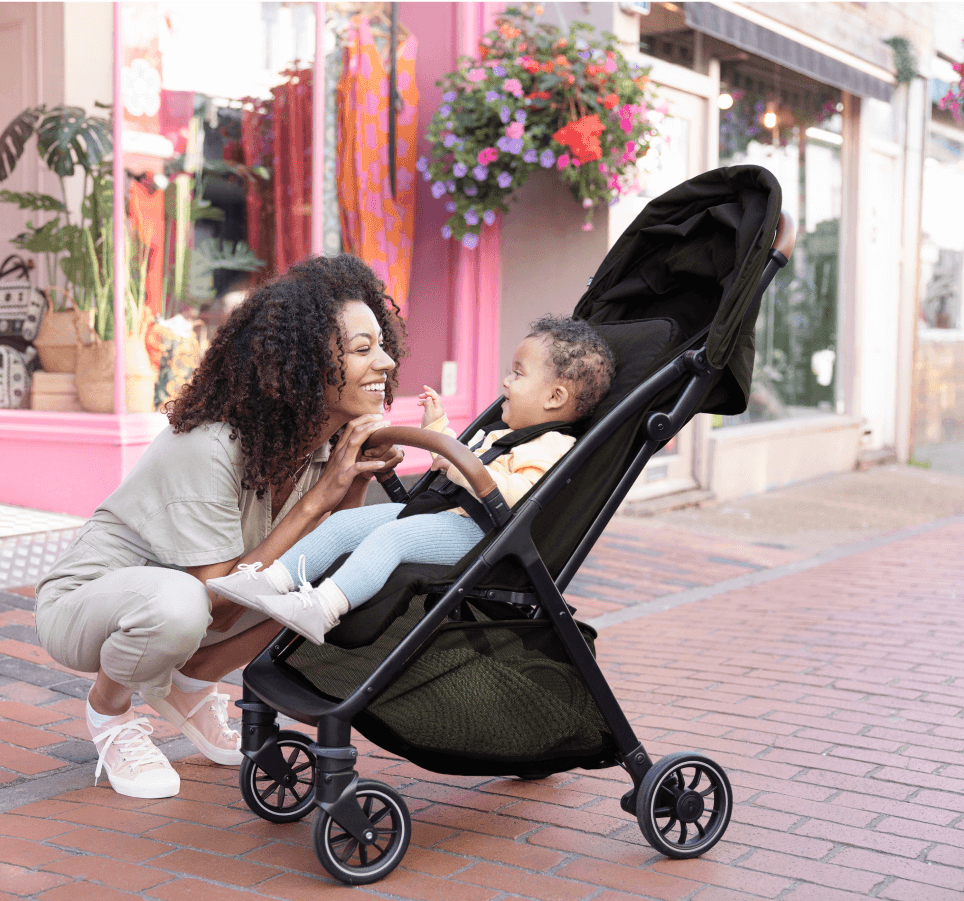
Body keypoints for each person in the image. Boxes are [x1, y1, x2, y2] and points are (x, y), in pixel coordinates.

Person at [34, 255, 405, 799]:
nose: (387, 362)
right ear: (304, 362)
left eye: (383, 345)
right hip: (87, 605)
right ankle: (109, 715)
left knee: (339, 588)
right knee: (179, 605)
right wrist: (316, 501)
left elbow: (329, 557)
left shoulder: (323, 444)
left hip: (193, 604)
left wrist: (351, 482)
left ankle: (191, 681)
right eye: (363, 349)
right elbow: (221, 600)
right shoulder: (211, 445)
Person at [208, 316, 614, 644]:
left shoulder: (552, 448)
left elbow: (516, 497)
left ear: (555, 398)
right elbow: (451, 461)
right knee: (347, 522)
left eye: (518, 374)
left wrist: (464, 465)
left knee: (391, 539)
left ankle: (323, 609)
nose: (505, 382)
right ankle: (269, 581)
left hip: (482, 534)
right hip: (449, 515)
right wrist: (438, 427)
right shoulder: (501, 435)